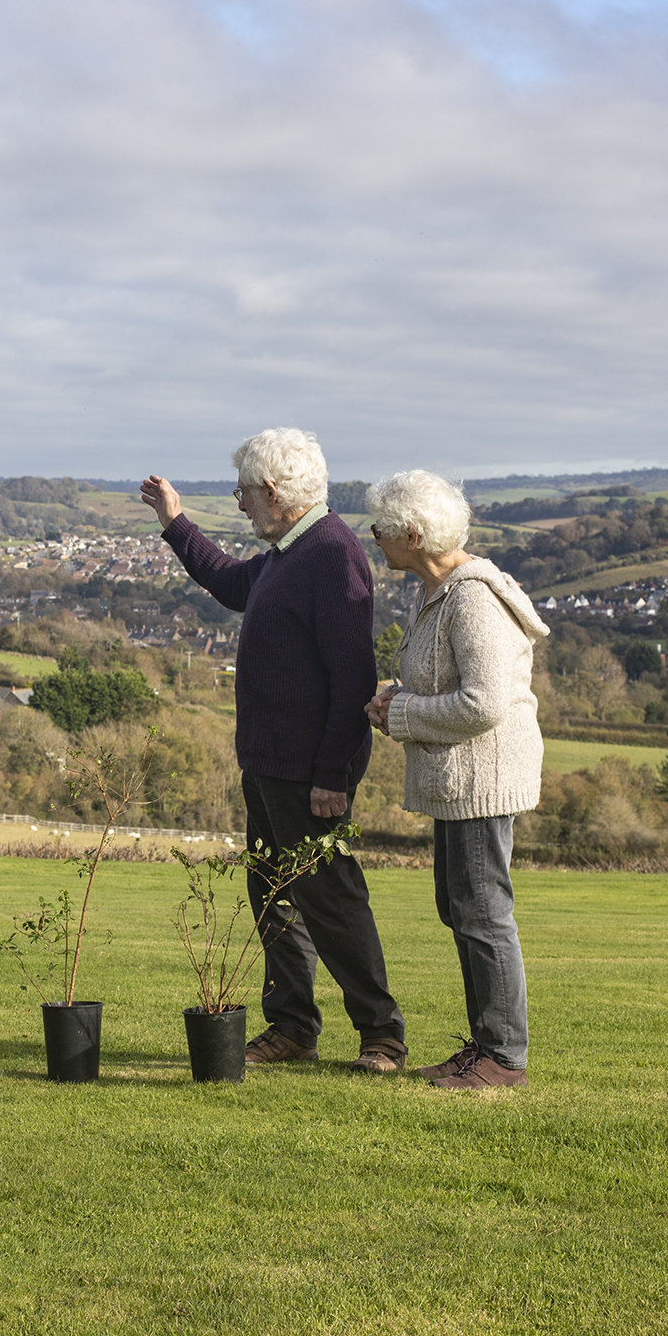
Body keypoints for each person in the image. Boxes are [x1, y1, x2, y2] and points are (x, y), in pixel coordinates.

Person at [141, 429, 407, 1074]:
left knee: (333, 900)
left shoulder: (331, 554)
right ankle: (291, 1029)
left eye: (243, 495)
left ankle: (382, 1037)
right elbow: (233, 584)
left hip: (307, 772)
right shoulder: (290, 552)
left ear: (273, 492)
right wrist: (176, 523)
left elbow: (353, 680)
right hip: (266, 764)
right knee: (275, 900)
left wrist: (333, 776)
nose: (240, 508)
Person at [363, 469, 548, 1090]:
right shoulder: (439, 592)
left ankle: (501, 1058)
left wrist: (403, 713)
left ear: (412, 535)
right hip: (462, 777)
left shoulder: (471, 598)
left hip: (480, 778)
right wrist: (400, 697)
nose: (375, 538)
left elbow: (485, 702)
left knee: (482, 910)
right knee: (463, 906)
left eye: (382, 529)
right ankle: (487, 1047)